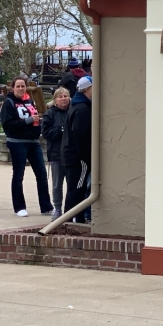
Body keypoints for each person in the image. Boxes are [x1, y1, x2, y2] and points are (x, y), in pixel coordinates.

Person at [0, 75, 54, 218]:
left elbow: (35, 119)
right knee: (18, 175)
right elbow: (7, 125)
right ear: (13, 88)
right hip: (17, 142)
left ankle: (46, 206)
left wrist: (38, 126)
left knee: (42, 175)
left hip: (33, 142)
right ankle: (19, 207)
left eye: (23, 86)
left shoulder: (29, 101)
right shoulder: (9, 103)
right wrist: (27, 121)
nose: (20, 88)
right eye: (18, 86)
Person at [62, 76, 93, 222]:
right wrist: (87, 157)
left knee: (75, 188)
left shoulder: (76, 105)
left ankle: (78, 219)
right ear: (87, 89)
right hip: (78, 157)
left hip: (72, 154)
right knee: (77, 189)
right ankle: (66, 221)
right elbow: (80, 135)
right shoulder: (82, 109)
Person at [40, 87, 71, 218]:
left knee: (72, 185)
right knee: (57, 184)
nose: (63, 98)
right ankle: (57, 208)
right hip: (56, 155)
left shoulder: (73, 111)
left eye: (66, 96)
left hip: (71, 155)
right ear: (55, 100)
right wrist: (61, 130)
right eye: (60, 96)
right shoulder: (50, 114)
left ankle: (71, 210)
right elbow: (46, 133)